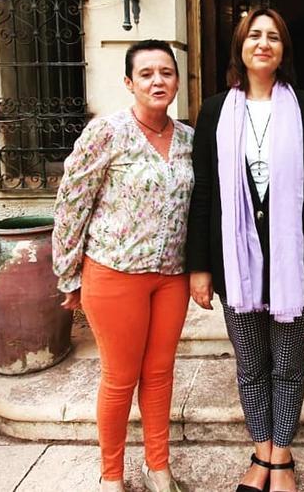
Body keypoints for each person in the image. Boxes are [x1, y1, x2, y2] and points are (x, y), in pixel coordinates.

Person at [187, 8, 304, 492]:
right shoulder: (214, 110)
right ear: (239, 46)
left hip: (293, 263)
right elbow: (204, 194)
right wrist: (198, 267)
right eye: (253, 35)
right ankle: (261, 452)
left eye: (273, 37)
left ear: (283, 50)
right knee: (251, 362)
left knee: (289, 364)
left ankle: (282, 456)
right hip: (234, 264)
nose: (263, 43)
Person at [52, 39, 193, 492]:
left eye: (166, 72)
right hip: (114, 274)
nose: (158, 80)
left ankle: (158, 467)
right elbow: (72, 203)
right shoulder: (107, 132)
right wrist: (68, 273)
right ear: (130, 82)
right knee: (119, 377)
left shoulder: (189, 139)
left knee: (159, 373)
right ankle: (112, 475)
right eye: (147, 73)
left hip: (171, 276)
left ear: (177, 81)